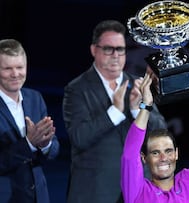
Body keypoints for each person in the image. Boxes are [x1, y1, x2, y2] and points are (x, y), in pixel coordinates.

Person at [62, 19, 167, 203]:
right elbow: (80, 137)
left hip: (138, 190)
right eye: (108, 49)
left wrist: (139, 109)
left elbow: (160, 134)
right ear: (94, 50)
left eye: (120, 49)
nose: (115, 55)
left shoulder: (139, 85)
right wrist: (115, 113)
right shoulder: (76, 89)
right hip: (95, 193)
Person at [121, 72, 189, 203]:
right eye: (155, 153)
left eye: (168, 151)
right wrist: (145, 106)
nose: (163, 158)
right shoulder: (137, 191)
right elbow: (129, 155)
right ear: (144, 158)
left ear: (176, 154)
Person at [0, 39, 60, 203]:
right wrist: (29, 143)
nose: (15, 74)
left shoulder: (35, 98)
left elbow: (54, 150)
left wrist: (45, 144)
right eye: (7, 68)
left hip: (38, 197)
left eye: (20, 67)